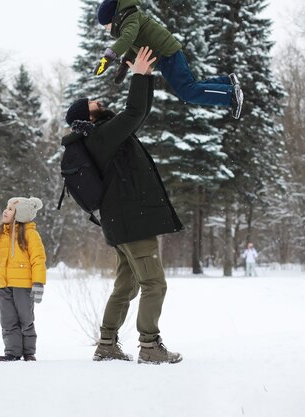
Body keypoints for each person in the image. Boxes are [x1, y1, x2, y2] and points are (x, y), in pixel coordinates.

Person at [64, 46, 183, 364]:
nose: (99, 103)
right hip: (132, 221)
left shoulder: (103, 136)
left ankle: (106, 344)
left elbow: (138, 114)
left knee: (126, 286)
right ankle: (149, 346)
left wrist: (147, 77)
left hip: (122, 222)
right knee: (154, 283)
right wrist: (138, 75)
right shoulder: (99, 137)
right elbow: (132, 114)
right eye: (93, 104)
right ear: (86, 117)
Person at [94, 0, 244, 119]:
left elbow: (127, 39)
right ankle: (227, 82)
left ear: (115, 18)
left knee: (187, 92)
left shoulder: (130, 22)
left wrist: (107, 59)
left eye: (106, 25)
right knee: (191, 86)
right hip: (166, 55)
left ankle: (230, 95)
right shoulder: (131, 20)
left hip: (167, 54)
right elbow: (133, 44)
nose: (107, 29)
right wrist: (124, 65)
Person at [0, 197, 47, 362]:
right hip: (3, 285)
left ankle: (28, 352)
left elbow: (38, 260)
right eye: (7, 207)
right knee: (8, 320)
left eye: (11, 209)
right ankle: (12, 352)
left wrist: (38, 283)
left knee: (26, 319)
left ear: (20, 215)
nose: (6, 211)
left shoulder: (30, 234)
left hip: (23, 286)